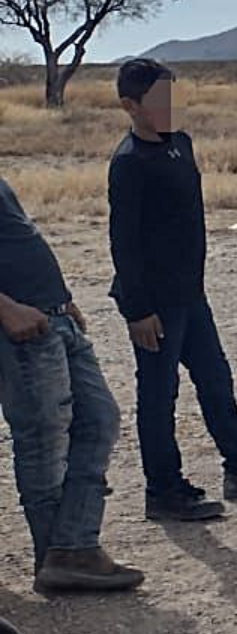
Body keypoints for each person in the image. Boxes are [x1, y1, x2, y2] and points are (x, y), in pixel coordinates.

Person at [108, 58, 237, 523]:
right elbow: (123, 242)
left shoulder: (181, 144)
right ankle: (164, 491)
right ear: (129, 106)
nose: (171, 107)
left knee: (216, 380)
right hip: (154, 303)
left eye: (174, 95)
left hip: (190, 296)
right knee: (159, 397)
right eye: (160, 99)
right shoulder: (129, 164)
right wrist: (137, 310)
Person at [0, 177, 144, 594]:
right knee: (43, 439)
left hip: (53, 314)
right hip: (22, 324)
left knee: (100, 419)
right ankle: (62, 556)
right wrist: (6, 308)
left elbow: (17, 237)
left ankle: (71, 548)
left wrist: (62, 297)